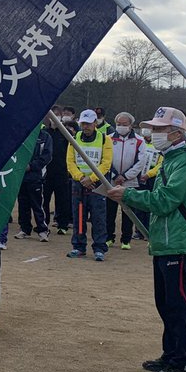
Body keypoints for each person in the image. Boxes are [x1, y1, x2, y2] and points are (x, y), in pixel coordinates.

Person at [106, 107, 186, 372]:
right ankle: (171, 355)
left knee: (180, 305)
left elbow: (165, 200)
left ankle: (185, 365)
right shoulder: (171, 158)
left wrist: (128, 194)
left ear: (176, 132)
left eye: (159, 129)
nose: (153, 133)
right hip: (164, 240)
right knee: (166, 303)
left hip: (180, 241)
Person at [66, 109, 112, 261]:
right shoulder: (74, 138)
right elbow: (70, 161)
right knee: (79, 216)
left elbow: (106, 163)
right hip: (78, 184)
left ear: (95, 123)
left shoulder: (105, 139)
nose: (85, 127)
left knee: (98, 217)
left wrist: (91, 178)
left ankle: (99, 248)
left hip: (98, 184)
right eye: (83, 123)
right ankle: (78, 246)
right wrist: (80, 178)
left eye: (88, 123)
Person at [105, 112, 148, 250]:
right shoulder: (108, 139)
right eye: (119, 124)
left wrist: (125, 176)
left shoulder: (139, 141)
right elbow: (105, 159)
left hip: (130, 182)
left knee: (128, 211)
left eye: (124, 124)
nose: (121, 127)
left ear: (131, 125)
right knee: (109, 211)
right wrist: (115, 175)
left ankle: (126, 239)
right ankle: (109, 237)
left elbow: (140, 162)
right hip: (111, 181)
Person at [14, 123, 53, 241]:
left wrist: (31, 166)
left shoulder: (45, 136)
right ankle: (24, 229)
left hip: (36, 176)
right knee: (23, 203)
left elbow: (47, 156)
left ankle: (43, 230)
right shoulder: (22, 134)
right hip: (21, 176)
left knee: (37, 204)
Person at [43, 107, 73, 235]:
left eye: (57, 115)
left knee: (62, 199)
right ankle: (44, 224)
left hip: (62, 172)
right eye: (52, 115)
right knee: (44, 200)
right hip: (46, 172)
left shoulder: (66, 133)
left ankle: (63, 225)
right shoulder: (44, 132)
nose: (55, 118)